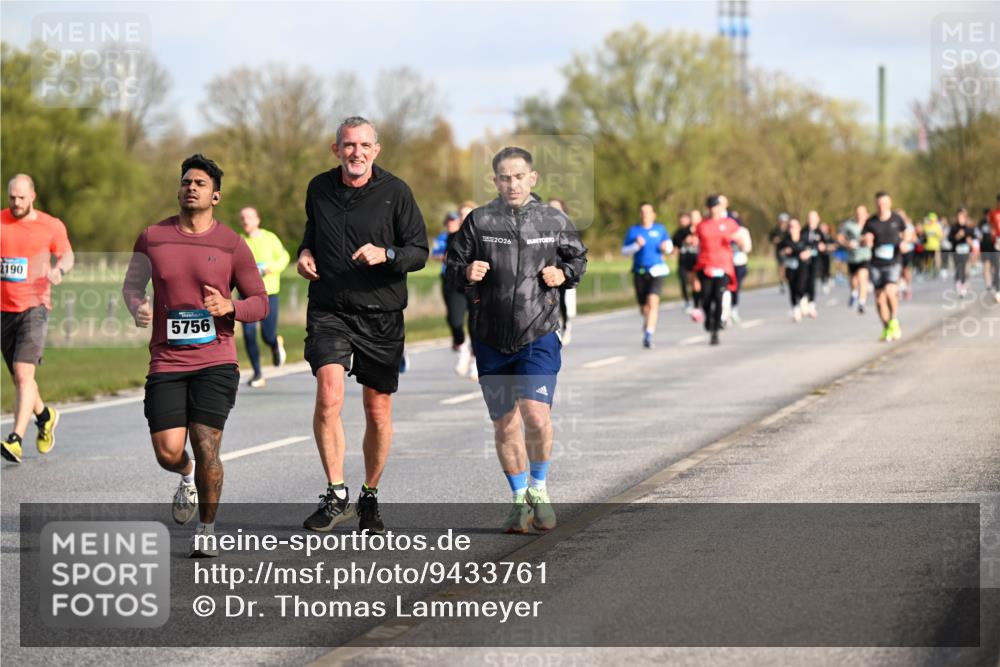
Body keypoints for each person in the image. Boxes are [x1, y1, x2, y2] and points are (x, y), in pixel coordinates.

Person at [122, 154, 268, 557]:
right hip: (167, 361)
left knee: (207, 446)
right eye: (186, 181)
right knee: (169, 452)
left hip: (216, 360)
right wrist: (138, 306)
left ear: (215, 195)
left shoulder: (232, 245)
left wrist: (230, 308)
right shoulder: (152, 237)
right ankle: (185, 475)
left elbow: (260, 302)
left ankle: (207, 529)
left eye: (200, 183)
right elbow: (132, 285)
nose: (191, 187)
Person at [297, 116, 428, 535]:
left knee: (377, 409)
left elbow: (419, 251)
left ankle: (369, 495)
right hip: (330, 309)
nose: (357, 153)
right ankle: (336, 494)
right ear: (336, 149)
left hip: (380, 313)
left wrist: (387, 255)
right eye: (349, 145)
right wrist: (303, 254)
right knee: (329, 394)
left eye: (364, 146)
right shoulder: (318, 188)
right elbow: (312, 233)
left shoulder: (396, 192)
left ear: (376, 150)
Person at [446, 146, 587, 533]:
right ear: (495, 181)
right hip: (490, 337)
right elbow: (452, 267)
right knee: (505, 425)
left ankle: (539, 490)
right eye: (504, 178)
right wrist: (466, 271)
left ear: (533, 178)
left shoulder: (553, 220)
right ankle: (518, 500)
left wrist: (565, 274)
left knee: (536, 417)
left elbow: (578, 259)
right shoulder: (478, 221)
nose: (512, 184)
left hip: (538, 332)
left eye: (519, 177)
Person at [1, 174, 73, 463]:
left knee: (22, 374)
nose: (16, 203)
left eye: (21, 197)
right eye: (11, 198)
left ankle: (15, 439)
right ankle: (45, 416)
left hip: (35, 307)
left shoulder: (51, 225)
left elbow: (68, 256)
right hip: (4, 310)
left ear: (33, 195)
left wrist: (59, 271)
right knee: (23, 381)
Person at [239, 207, 290, 388]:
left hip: (269, 293)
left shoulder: (270, 238)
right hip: (246, 296)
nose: (246, 221)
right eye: (243, 218)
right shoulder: (239, 242)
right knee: (248, 334)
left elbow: (284, 257)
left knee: (267, 335)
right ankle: (257, 373)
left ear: (257, 220)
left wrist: (271, 268)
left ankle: (274, 342)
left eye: (249, 217)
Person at [693, 194, 751, 345]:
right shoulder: (702, 225)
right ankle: (709, 318)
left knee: (718, 298)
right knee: (705, 298)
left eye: (716, 206)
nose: (713, 209)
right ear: (708, 208)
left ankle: (715, 328)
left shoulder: (730, 223)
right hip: (706, 265)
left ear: (720, 207)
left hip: (724, 266)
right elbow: (695, 242)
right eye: (711, 207)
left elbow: (741, 239)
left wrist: (741, 244)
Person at [861, 191, 911, 342]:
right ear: (876, 204)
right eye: (878, 203)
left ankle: (894, 319)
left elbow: (907, 233)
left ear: (889, 203)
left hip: (893, 262)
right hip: (876, 264)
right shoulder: (871, 222)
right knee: (879, 299)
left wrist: (905, 243)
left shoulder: (897, 219)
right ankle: (886, 327)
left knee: (890, 291)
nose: (881, 206)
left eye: (884, 203)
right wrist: (866, 240)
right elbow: (865, 238)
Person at [622, 202, 673, 348]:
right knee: (644, 308)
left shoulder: (660, 229)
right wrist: (636, 245)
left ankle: (649, 335)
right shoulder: (634, 231)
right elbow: (624, 252)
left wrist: (666, 247)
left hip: (656, 270)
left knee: (653, 302)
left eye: (648, 212)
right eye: (643, 212)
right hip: (639, 271)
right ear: (640, 214)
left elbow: (669, 247)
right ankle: (648, 324)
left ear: (653, 214)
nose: (645, 214)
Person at [432, 210, 473, 374]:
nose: (451, 224)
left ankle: (475, 360)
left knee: (476, 322)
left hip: (472, 283)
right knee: (454, 319)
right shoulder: (442, 238)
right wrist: (445, 256)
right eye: (448, 221)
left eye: (454, 221)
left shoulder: (468, 236)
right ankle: (462, 346)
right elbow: (435, 254)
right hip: (450, 280)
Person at [548, 198, 577, 346]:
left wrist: (567, 270)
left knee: (560, 300)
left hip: (561, 270)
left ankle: (566, 324)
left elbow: (575, 253)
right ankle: (552, 329)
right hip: (546, 270)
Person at [838, 205, 872, 314]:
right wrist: (848, 244)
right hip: (852, 257)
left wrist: (868, 241)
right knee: (853, 280)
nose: (860, 215)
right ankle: (854, 293)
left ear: (866, 213)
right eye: (858, 213)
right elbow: (840, 237)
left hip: (865, 256)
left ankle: (861, 303)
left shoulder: (870, 224)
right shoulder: (849, 225)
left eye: (862, 213)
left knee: (862, 278)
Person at [779, 218, 812, 322]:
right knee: (792, 288)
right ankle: (795, 309)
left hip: (802, 266)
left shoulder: (804, 239)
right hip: (790, 266)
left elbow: (811, 250)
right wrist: (785, 251)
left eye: (794, 226)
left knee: (801, 286)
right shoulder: (785, 240)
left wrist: (806, 253)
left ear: (799, 228)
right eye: (790, 227)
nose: (792, 229)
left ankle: (803, 300)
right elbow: (780, 252)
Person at [671, 212, 698, 312]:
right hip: (682, 261)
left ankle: (697, 301)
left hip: (694, 260)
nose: (683, 221)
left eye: (685, 219)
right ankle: (687, 302)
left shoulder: (694, 230)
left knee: (695, 282)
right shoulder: (677, 233)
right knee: (683, 281)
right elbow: (674, 247)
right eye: (681, 219)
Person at [949, 207, 975, 299]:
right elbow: (950, 239)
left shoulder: (968, 228)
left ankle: (963, 285)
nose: (960, 218)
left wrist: (970, 241)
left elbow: (973, 237)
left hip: (965, 251)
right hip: (956, 250)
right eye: (959, 217)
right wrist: (957, 236)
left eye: (962, 217)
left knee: (963, 267)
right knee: (957, 267)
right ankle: (957, 282)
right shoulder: (953, 227)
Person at [769, 213, 791, 294]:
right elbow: (771, 239)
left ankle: (788, 281)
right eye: (782, 221)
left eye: (785, 222)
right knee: (781, 267)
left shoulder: (789, 230)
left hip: (789, 252)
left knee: (788, 268)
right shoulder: (775, 231)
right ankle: (782, 283)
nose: (783, 223)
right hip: (779, 252)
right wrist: (775, 240)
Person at [923, 213, 943, 277]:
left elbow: (941, 237)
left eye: (933, 220)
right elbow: (923, 235)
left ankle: (936, 271)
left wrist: (937, 234)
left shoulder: (937, 227)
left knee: (936, 260)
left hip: (935, 247)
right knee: (928, 260)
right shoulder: (925, 226)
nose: (931, 221)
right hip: (927, 247)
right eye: (930, 220)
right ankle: (928, 270)